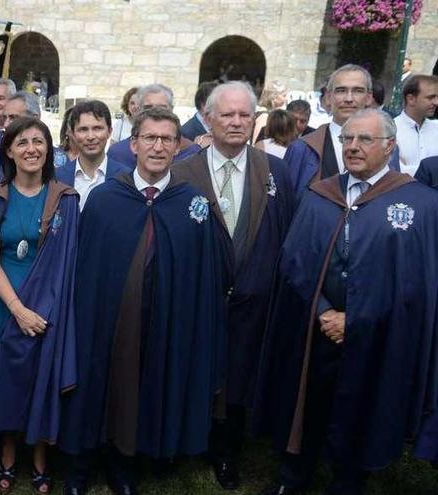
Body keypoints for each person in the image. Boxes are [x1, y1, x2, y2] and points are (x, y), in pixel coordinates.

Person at [255, 108, 438, 495]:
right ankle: (293, 475)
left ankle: (348, 478)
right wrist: (324, 311)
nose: (353, 147)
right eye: (347, 139)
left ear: (389, 146)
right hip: (316, 328)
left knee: (363, 405)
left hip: (379, 335)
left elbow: (417, 281)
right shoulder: (321, 194)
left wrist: (355, 319)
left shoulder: (419, 204)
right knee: (307, 400)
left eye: (365, 140)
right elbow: (295, 261)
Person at [59, 105, 228, 495]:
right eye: (149, 138)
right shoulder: (104, 199)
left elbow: (201, 276)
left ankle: (124, 466)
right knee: (95, 387)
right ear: (133, 144)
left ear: (177, 146)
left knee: (140, 390)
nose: (157, 146)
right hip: (105, 320)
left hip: (162, 321)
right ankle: (80, 466)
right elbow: (85, 269)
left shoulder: (192, 204)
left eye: (166, 139)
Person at [173, 81, 294, 491]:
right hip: (199, 301)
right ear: (209, 118)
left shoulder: (275, 171)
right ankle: (189, 441)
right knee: (196, 371)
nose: (237, 122)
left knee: (240, 376)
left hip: (253, 302)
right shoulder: (182, 171)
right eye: (228, 114)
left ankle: (228, 450)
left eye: (245, 114)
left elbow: (286, 234)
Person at [0, 117, 78, 495]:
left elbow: (67, 262)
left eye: (39, 141)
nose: (31, 149)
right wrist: (18, 309)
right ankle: (7, 452)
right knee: (9, 380)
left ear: (49, 149)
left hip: (50, 301)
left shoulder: (65, 199)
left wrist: (45, 309)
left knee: (42, 378)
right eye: (22, 142)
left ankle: (39, 456)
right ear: (9, 151)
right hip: (4, 302)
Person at [284, 64, 399, 202]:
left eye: (357, 91)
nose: (349, 99)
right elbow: (286, 204)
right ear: (328, 97)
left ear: (369, 97)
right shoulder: (302, 149)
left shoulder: (385, 145)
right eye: (341, 90)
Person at [55, 100, 132, 209]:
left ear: (109, 132)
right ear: (73, 134)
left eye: (97, 128)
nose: (90, 136)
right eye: (83, 129)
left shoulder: (126, 178)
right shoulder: (57, 177)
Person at [107, 84, 199, 168]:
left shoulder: (192, 153)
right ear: (138, 110)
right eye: (148, 108)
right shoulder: (119, 153)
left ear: (171, 109)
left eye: (161, 108)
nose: (155, 113)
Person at [394, 74, 438, 176]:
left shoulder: (436, 128)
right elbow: (393, 172)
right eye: (430, 97)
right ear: (411, 99)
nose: (436, 102)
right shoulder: (391, 129)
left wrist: (409, 169)